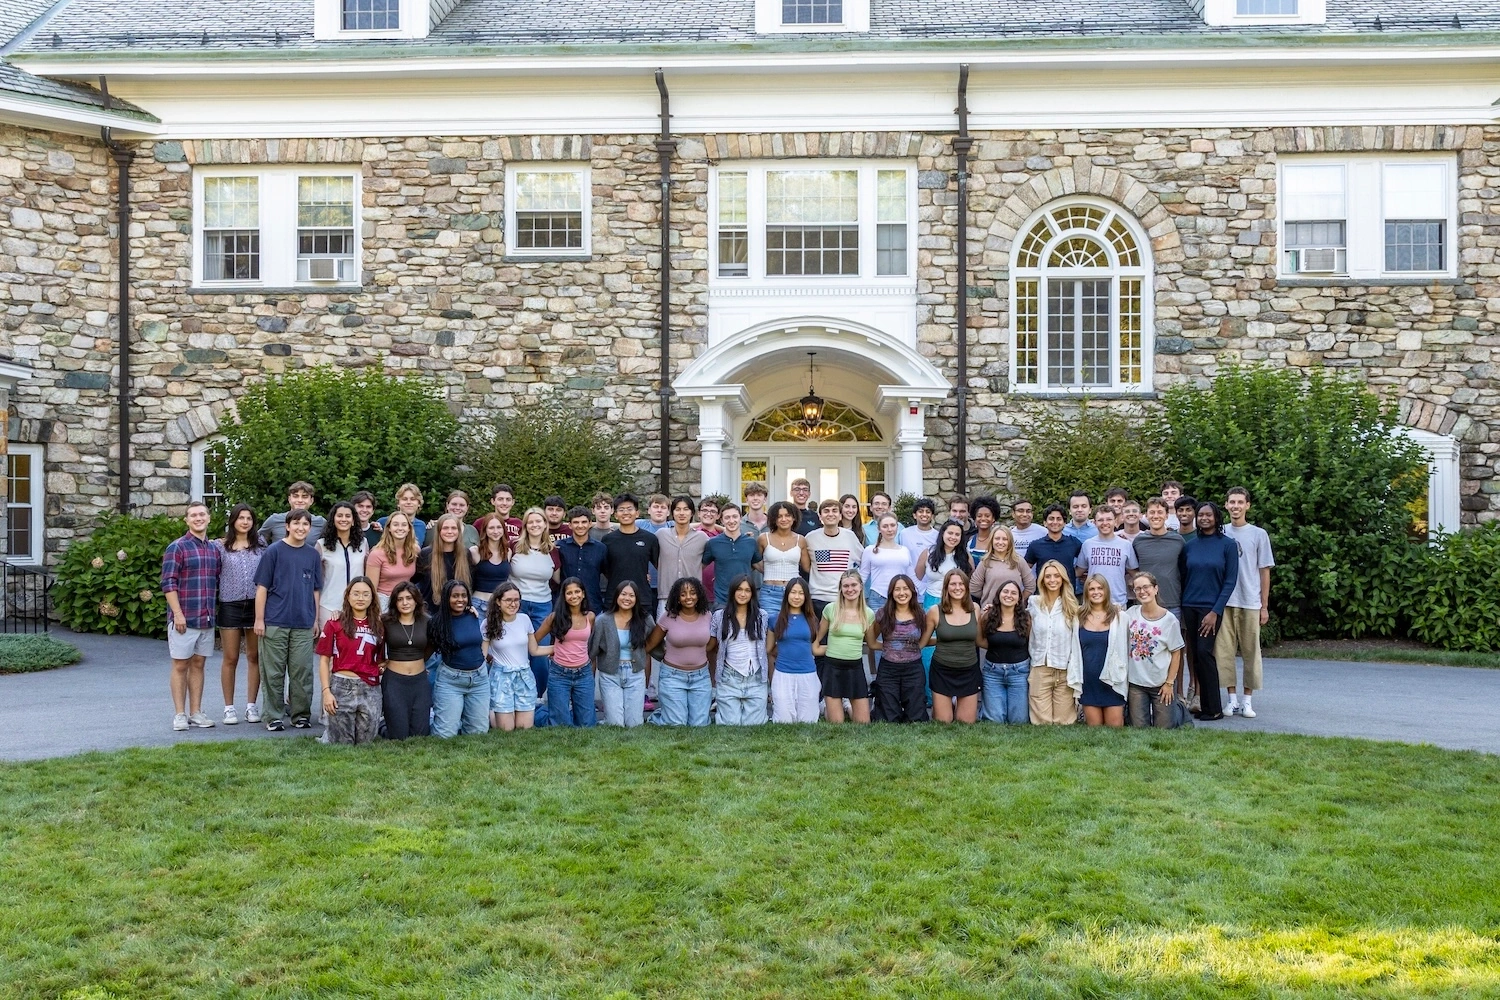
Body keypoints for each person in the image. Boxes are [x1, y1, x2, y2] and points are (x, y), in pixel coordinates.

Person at [253, 509, 322, 731]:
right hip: (275, 621)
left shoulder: (312, 555)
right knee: (273, 671)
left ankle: (300, 714)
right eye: (297, 523)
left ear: (310, 528)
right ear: (288, 526)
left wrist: (315, 619)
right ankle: (273, 715)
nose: (301, 528)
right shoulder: (274, 551)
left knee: (302, 670)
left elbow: (315, 589)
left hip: (303, 622)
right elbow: (262, 588)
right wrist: (259, 619)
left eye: (305, 524)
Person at [161, 500, 223, 732]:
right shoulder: (177, 547)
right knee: (180, 665)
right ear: (187, 520)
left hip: (206, 618)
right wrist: (177, 614)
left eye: (202, 515)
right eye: (193, 515)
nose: (198, 518)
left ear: (208, 518)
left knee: (198, 664)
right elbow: (168, 583)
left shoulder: (214, 549)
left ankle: (196, 712)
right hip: (183, 618)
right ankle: (180, 714)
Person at [1179, 501, 1239, 722]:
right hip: (1189, 605)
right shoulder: (1190, 546)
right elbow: (1184, 576)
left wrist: (1215, 611)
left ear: (1216, 517)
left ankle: (1214, 708)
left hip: (1210, 608)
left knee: (1205, 653)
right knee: (1195, 656)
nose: (1204, 518)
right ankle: (1203, 706)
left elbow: (1230, 581)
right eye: (1201, 515)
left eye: (1208, 515)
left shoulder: (1228, 545)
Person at [1219, 486, 1275, 718]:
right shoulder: (1220, 531)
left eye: (1240, 502)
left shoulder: (1258, 534)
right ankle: (1231, 700)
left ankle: (1248, 700)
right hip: (1225, 601)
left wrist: (1264, 605)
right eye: (1232, 502)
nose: (1235, 506)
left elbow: (1264, 572)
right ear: (1226, 505)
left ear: (1247, 506)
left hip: (1250, 600)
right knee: (1225, 651)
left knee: (1252, 652)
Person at [315, 575, 384, 745]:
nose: (361, 598)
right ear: (348, 596)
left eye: (366, 594)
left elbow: (383, 660)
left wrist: (381, 668)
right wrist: (326, 692)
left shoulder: (380, 625)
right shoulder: (335, 623)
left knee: (365, 743)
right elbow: (324, 661)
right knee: (341, 744)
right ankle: (328, 734)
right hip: (342, 685)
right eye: (356, 593)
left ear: (372, 598)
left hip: (370, 687)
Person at [213, 503, 263, 726]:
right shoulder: (220, 546)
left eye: (249, 518)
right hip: (230, 605)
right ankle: (229, 707)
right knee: (230, 657)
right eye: (241, 518)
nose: (245, 522)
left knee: (254, 656)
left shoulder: (260, 545)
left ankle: (251, 706)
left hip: (255, 605)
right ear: (233, 521)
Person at [646, 576, 714, 726]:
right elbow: (650, 645)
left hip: (701, 677)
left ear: (699, 595)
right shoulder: (669, 617)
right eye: (683, 594)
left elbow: (711, 645)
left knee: (699, 725)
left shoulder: (708, 616)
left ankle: (671, 712)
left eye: (693, 593)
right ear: (677, 598)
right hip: (672, 677)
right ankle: (658, 716)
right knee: (677, 724)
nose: (688, 597)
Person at [512, 507, 562, 707]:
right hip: (517, 606)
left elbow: (557, 579)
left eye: (538, 521)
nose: (535, 525)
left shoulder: (553, 551)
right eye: (530, 522)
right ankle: (517, 696)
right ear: (525, 525)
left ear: (545, 524)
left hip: (543, 606)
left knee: (540, 655)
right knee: (516, 651)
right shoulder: (513, 546)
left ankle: (539, 698)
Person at [531, 578, 596, 728]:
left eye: (577, 592)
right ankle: (537, 711)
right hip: (560, 674)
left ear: (583, 594)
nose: (574, 596)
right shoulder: (554, 618)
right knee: (560, 725)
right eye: (569, 593)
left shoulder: (590, 617)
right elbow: (534, 639)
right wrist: (554, 649)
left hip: (584, 673)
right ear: (564, 596)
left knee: (587, 725)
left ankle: (568, 713)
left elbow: (583, 643)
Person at [813, 570, 875, 724]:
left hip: (855, 668)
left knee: (863, 723)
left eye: (854, 585)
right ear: (840, 589)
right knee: (837, 723)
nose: (850, 589)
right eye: (845, 586)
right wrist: (819, 650)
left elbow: (872, 643)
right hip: (833, 668)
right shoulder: (830, 609)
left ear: (861, 587)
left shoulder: (868, 614)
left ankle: (847, 706)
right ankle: (829, 706)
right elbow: (818, 638)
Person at [1125, 573, 1185, 729]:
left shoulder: (1170, 619)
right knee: (1139, 729)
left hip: (1161, 682)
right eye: (1137, 589)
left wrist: (1169, 683)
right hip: (1136, 683)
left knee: (1164, 729)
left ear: (1155, 589)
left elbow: (1176, 653)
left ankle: (1180, 711)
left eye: (1146, 587)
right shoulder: (1130, 614)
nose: (1142, 592)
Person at [429, 579, 489, 737]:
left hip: (479, 679)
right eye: (455, 596)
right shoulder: (438, 622)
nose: (460, 599)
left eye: (464, 595)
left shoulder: (473, 615)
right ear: (446, 598)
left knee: (478, 734)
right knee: (445, 736)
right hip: (451, 680)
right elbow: (428, 650)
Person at [867, 574, 929, 723]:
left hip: (913, 668)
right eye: (897, 589)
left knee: (916, 719)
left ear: (912, 591)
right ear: (891, 593)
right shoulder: (882, 614)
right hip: (888, 669)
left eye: (905, 589)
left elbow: (922, 641)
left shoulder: (920, 614)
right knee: (889, 719)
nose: (902, 593)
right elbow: (871, 642)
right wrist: (891, 647)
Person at [590, 580, 653, 728]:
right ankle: (608, 718)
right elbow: (592, 651)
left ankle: (655, 717)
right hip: (610, 675)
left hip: (635, 674)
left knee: (634, 725)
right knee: (615, 725)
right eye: (623, 594)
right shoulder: (603, 620)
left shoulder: (645, 619)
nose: (627, 598)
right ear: (616, 596)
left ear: (637, 599)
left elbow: (656, 642)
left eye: (631, 595)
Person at [709, 575, 770, 725]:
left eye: (747, 590)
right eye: (739, 590)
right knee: (730, 724)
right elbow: (711, 646)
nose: (743, 594)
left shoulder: (761, 616)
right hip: (729, 677)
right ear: (732, 592)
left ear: (752, 594)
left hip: (755, 677)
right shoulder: (719, 616)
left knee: (754, 725)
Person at [922, 569, 982, 724]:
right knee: (943, 722)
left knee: (966, 723)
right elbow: (923, 642)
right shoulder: (935, 611)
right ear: (946, 588)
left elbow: (980, 640)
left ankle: (956, 704)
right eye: (953, 584)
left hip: (968, 670)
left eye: (961, 584)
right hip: (943, 670)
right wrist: (942, 640)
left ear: (967, 587)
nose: (957, 587)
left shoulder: (975, 608)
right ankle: (945, 705)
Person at [1027, 559, 1081, 726]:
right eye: (1048, 576)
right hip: (1040, 668)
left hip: (1064, 669)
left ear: (1063, 579)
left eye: (1057, 576)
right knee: (1041, 723)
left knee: (1064, 723)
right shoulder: (1033, 603)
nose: (1052, 580)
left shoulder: (1073, 607)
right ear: (1042, 579)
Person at [1073, 574, 1128, 727]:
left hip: (1112, 682)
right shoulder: (1078, 616)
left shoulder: (1120, 616)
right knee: (1094, 733)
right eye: (1091, 589)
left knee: (1115, 732)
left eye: (1100, 588)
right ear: (1086, 593)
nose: (1096, 592)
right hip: (1089, 682)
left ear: (1106, 591)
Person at [381, 581, 432, 739]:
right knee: (399, 736)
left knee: (420, 735)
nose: (405, 603)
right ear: (394, 602)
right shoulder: (386, 621)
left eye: (409, 598)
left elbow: (431, 646)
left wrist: (419, 662)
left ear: (416, 600)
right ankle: (381, 725)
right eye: (400, 599)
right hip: (395, 682)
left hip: (420, 681)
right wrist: (382, 662)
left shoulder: (426, 621)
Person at [483, 582, 537, 731]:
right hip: (501, 677)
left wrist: (558, 649)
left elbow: (534, 650)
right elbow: (482, 654)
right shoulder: (488, 623)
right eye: (508, 600)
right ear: (498, 602)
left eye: (517, 600)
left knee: (523, 728)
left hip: (524, 676)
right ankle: (491, 712)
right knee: (506, 730)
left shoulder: (525, 619)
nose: (513, 604)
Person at [767, 578, 821, 724]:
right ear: (787, 595)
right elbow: (769, 648)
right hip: (783, 674)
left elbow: (814, 648)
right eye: (793, 592)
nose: (797, 597)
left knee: (808, 721)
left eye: (801, 593)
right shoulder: (774, 620)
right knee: (783, 721)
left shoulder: (812, 620)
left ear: (806, 596)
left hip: (808, 674)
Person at [980, 580, 1031, 725]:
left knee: (1019, 722)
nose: (1009, 595)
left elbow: (1030, 643)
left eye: (1014, 593)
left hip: (1019, 672)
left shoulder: (1026, 618)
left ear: (1019, 599)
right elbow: (979, 640)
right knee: (994, 722)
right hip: (992, 672)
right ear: (999, 595)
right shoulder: (988, 616)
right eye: (1005, 591)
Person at [315, 501, 367, 636]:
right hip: (328, 605)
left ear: (354, 520)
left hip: (357, 606)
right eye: (340, 516)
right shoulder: (321, 545)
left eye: (348, 516)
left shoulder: (363, 543)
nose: (344, 519)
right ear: (333, 519)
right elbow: (315, 581)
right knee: (330, 653)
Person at [600, 493, 660, 610]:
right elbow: (605, 569)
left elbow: (659, 565)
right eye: (621, 510)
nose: (626, 513)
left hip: (642, 598)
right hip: (614, 598)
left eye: (629, 509)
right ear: (615, 514)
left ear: (637, 513)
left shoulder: (649, 539)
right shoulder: (608, 540)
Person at [807, 499, 863, 619]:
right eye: (826, 511)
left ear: (840, 516)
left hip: (844, 597)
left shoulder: (850, 537)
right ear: (820, 516)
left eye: (834, 511)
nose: (830, 514)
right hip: (818, 598)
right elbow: (806, 566)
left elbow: (863, 562)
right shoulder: (810, 538)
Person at [1130, 498, 1185, 618]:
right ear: (1146, 515)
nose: (1156, 516)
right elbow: (1133, 568)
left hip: (1172, 602)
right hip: (1144, 602)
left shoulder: (1178, 541)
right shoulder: (1138, 541)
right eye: (1152, 512)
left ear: (1166, 516)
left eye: (1160, 512)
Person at [1075, 507, 1137, 607]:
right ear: (1094, 523)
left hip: (1118, 602)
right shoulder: (1088, 544)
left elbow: (1134, 572)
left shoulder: (1126, 545)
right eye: (1100, 520)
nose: (1105, 523)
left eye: (1109, 519)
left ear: (1115, 521)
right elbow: (1078, 572)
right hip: (1093, 601)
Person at [703, 503, 762, 609]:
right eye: (727, 517)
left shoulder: (751, 542)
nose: (731, 521)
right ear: (721, 520)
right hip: (721, 601)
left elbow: (760, 567)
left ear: (740, 518)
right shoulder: (713, 543)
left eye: (734, 516)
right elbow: (699, 567)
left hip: (745, 600)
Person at [415, 513, 476, 616]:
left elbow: (469, 584)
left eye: (453, 528)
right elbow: (416, 582)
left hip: (456, 614)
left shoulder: (466, 554)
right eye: (445, 528)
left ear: (459, 531)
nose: (450, 531)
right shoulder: (426, 554)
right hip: (430, 614)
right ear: (439, 531)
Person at [657, 495, 708, 615]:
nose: (682, 513)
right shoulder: (661, 535)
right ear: (672, 512)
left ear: (692, 513)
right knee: (663, 632)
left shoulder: (701, 537)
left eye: (686, 509)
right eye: (678, 509)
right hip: (666, 595)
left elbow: (710, 557)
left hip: (692, 597)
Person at [758, 501, 811, 614]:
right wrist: (767, 570)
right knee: (769, 626)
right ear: (774, 519)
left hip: (794, 592)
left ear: (794, 518)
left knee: (791, 628)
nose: (784, 519)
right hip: (769, 593)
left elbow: (807, 568)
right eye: (779, 516)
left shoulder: (800, 540)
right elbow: (754, 561)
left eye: (787, 515)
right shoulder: (763, 538)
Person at [366, 511, 419, 614]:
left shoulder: (414, 551)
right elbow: (371, 589)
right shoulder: (377, 553)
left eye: (404, 525)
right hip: (383, 603)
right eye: (395, 524)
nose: (400, 528)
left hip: (405, 601)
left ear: (409, 529)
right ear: (389, 528)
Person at [557, 505, 607, 614]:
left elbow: (610, 573)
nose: (580, 526)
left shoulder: (600, 548)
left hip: (593, 605)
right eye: (576, 522)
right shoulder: (560, 547)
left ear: (590, 524)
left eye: (584, 522)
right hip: (566, 607)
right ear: (570, 525)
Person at [970, 526, 1035, 610]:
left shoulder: (1018, 561)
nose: (1000, 542)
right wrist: (989, 595)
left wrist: (1017, 599)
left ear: (1010, 542)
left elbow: (1030, 586)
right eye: (997, 538)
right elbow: (974, 589)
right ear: (992, 541)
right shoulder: (985, 562)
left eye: (1005, 539)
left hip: (1013, 612)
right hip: (990, 610)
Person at [1025, 504, 1085, 596]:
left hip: (1068, 596)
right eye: (1051, 518)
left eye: (1059, 519)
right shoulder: (1035, 545)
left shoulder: (1073, 543)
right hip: (1043, 595)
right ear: (1045, 522)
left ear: (1065, 523)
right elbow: (1025, 569)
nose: (1055, 522)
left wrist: (1072, 574)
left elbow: (1084, 562)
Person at [916, 519, 972, 613]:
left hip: (957, 601)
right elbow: (917, 577)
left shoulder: (965, 556)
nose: (953, 537)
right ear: (943, 533)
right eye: (950, 533)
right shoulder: (928, 553)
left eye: (957, 534)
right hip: (932, 601)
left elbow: (969, 579)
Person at [861, 513, 912, 614]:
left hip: (901, 597)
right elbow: (862, 576)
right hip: (878, 598)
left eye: (893, 525)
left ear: (897, 526)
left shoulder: (904, 550)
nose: (889, 529)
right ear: (879, 529)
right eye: (885, 526)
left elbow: (910, 576)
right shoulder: (870, 550)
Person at [468, 513, 511, 618]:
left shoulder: (508, 552)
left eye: (499, 527)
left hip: (502, 607)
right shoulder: (475, 551)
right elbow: (465, 579)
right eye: (491, 528)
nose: (495, 531)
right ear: (485, 530)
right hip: (479, 605)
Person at [260, 481, 327, 544]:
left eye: (304, 497)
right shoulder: (274, 520)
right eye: (295, 496)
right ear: (289, 499)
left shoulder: (321, 523)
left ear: (311, 501)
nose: (300, 500)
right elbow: (256, 542)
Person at [897, 498, 939, 568]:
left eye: (928, 512)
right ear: (914, 515)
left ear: (932, 516)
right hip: (907, 577)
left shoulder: (938, 536)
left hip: (930, 578)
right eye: (921, 511)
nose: (924, 514)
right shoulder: (904, 534)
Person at [480, 483, 524, 547]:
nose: (504, 503)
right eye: (500, 499)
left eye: (508, 499)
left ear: (513, 502)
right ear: (493, 501)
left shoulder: (519, 524)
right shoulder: (482, 522)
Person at [1009, 499, 1047, 564]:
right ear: (1013, 514)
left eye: (1028, 511)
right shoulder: (1009, 534)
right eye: (1021, 511)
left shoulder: (1043, 532)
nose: (1025, 514)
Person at [965, 496, 1000, 564]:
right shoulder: (970, 541)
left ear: (993, 519)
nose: (983, 518)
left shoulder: (998, 540)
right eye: (979, 516)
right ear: (975, 519)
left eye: (987, 516)